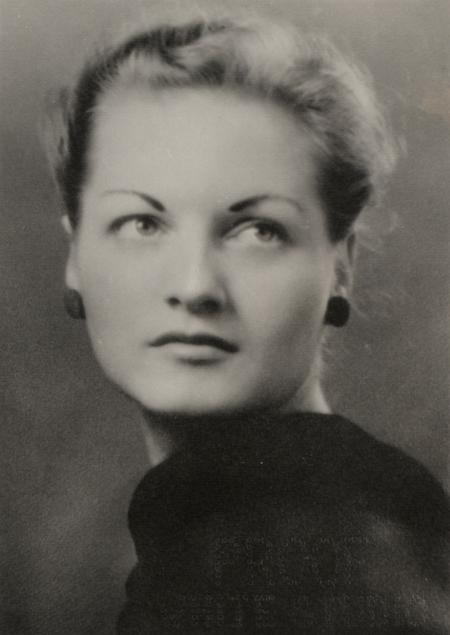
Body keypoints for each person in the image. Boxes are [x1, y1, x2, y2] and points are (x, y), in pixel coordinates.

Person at [44, 12, 450, 634]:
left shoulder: (306, 551)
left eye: (259, 231)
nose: (195, 287)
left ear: (340, 268)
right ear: (75, 254)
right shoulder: (242, 526)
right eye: (142, 224)